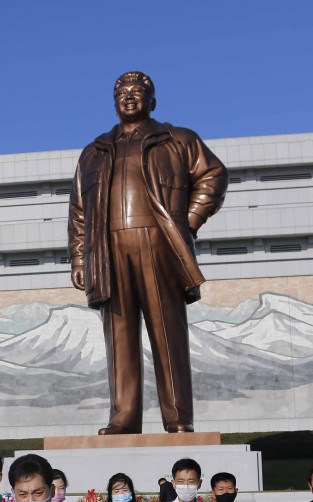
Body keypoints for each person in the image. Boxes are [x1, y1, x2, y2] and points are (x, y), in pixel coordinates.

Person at [68, 71, 228, 435]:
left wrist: (188, 221)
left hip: (159, 244)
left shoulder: (177, 139)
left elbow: (213, 175)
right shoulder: (94, 151)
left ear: (152, 101)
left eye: (138, 91)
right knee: (119, 337)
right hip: (109, 250)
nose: (129, 97)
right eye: (121, 92)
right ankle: (123, 417)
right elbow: (79, 210)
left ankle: (177, 417)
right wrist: (80, 258)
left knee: (167, 333)